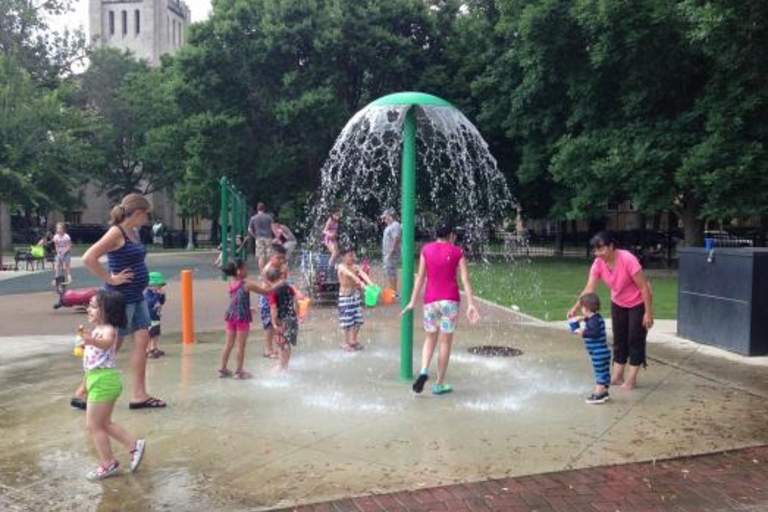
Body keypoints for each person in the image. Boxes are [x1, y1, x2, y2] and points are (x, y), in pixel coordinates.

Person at [81, 193, 165, 410]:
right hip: (121, 299)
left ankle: (139, 395)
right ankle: (83, 392)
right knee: (110, 346)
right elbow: (89, 257)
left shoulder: (133, 231)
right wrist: (110, 278)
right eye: (146, 214)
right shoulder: (116, 232)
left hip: (136, 297)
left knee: (142, 340)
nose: (148, 218)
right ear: (137, 213)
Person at [402, 221, 481, 395]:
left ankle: (423, 371)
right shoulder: (457, 252)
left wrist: (412, 301)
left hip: (430, 301)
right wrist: (471, 304)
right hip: (450, 302)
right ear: (451, 235)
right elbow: (465, 280)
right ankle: (439, 384)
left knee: (430, 338)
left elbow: (420, 278)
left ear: (436, 234)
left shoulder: (426, 250)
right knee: (445, 342)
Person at [568, 231, 654, 391]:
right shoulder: (598, 263)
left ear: (611, 246)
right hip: (618, 302)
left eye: (601, 249)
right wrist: (576, 307)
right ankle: (617, 376)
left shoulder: (628, 259)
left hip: (638, 302)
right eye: (595, 250)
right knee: (619, 339)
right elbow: (589, 288)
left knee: (635, 339)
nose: (598, 253)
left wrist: (648, 313)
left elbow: (644, 287)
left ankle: (631, 379)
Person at [76, 290, 146, 481]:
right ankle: (134, 445)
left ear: (107, 310)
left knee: (93, 425)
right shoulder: (97, 331)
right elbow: (93, 363)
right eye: (89, 305)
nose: (88, 309)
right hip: (97, 379)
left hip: (105, 381)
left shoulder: (108, 329)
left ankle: (108, 463)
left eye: (93, 306)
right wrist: (84, 386)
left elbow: (106, 343)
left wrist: (90, 341)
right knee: (104, 423)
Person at [219, 258, 282, 379]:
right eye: (245, 268)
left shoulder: (231, 283)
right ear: (239, 271)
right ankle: (239, 372)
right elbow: (266, 292)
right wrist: (279, 284)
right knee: (241, 346)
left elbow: (236, 299)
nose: (247, 270)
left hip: (231, 316)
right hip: (242, 318)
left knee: (228, 344)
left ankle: (223, 369)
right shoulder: (247, 285)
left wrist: (248, 307)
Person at [570, 293, 611, 404]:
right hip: (602, 352)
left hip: (598, 353)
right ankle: (605, 392)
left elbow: (594, 333)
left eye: (582, 307)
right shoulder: (596, 318)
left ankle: (598, 395)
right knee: (605, 372)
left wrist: (582, 332)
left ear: (586, 309)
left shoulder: (593, 322)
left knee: (600, 373)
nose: (581, 309)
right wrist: (583, 319)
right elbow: (592, 323)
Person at [336, 247, 376, 351]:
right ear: (343, 257)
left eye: (353, 255)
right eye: (350, 255)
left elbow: (363, 274)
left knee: (358, 320)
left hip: (355, 297)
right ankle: (346, 342)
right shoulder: (341, 266)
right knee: (347, 322)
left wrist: (371, 285)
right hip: (345, 297)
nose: (352, 258)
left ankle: (353, 340)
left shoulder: (355, 267)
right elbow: (349, 274)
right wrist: (360, 282)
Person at [258, 244, 289, 358]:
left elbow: (287, 281)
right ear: (271, 257)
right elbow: (269, 286)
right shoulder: (267, 269)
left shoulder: (283, 267)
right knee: (268, 325)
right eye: (278, 258)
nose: (281, 260)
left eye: (283, 258)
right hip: (267, 297)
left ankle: (277, 347)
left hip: (278, 297)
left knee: (278, 322)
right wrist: (280, 283)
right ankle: (268, 349)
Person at [266, 266, 299, 370]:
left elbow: (273, 308)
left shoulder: (272, 291)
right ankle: (286, 365)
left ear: (269, 280)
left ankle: (281, 365)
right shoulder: (288, 288)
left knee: (281, 343)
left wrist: (274, 323)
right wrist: (296, 315)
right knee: (287, 342)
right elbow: (296, 302)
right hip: (291, 317)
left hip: (281, 320)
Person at [144, 272, 166, 359]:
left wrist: (162, 296)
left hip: (156, 317)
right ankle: (148, 350)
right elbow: (150, 303)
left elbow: (161, 302)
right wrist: (157, 294)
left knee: (156, 334)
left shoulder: (155, 293)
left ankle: (154, 348)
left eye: (161, 285)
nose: (160, 287)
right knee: (150, 335)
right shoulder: (147, 294)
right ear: (150, 285)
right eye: (158, 285)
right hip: (150, 319)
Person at [248, 203, 275, 270]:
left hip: (259, 238)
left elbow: (249, 229)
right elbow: (273, 228)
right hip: (268, 237)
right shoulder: (269, 217)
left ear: (257, 209)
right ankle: (268, 271)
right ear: (264, 209)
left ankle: (262, 273)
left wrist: (254, 236)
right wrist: (276, 237)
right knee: (269, 255)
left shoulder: (253, 218)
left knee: (261, 256)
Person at [380, 208, 401, 296]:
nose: (383, 220)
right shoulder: (389, 226)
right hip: (387, 252)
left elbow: (396, 239)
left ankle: (394, 291)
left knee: (391, 271)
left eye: (385, 218)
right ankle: (392, 289)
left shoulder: (395, 225)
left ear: (390, 216)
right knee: (389, 271)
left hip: (391, 253)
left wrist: (392, 251)